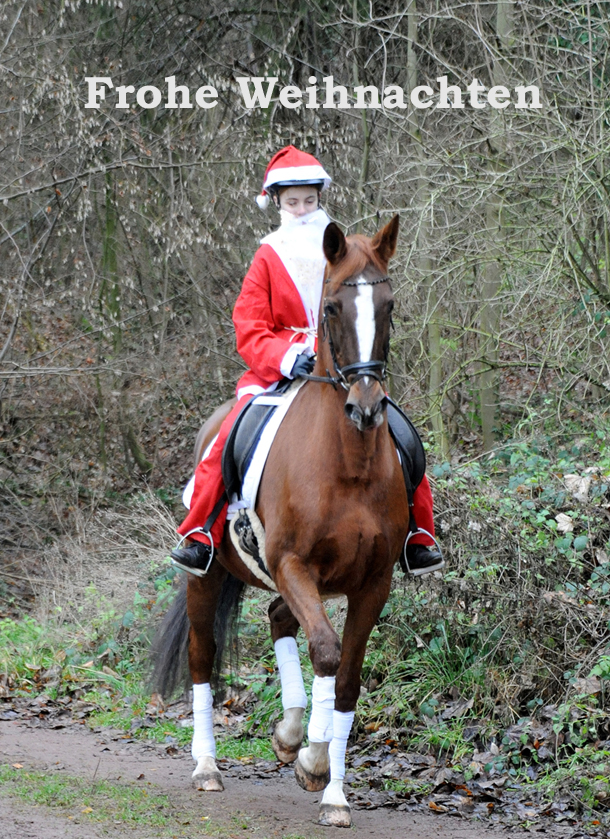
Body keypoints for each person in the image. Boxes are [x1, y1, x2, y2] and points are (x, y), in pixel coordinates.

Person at [171, 145, 443, 577]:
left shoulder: (343, 249)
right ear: (277, 202)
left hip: (341, 369)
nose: (302, 208)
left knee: (401, 434)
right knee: (227, 434)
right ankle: (200, 532)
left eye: (309, 200)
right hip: (275, 372)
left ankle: (418, 536)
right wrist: (286, 356)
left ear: (320, 199)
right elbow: (249, 325)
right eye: (293, 201)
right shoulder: (267, 257)